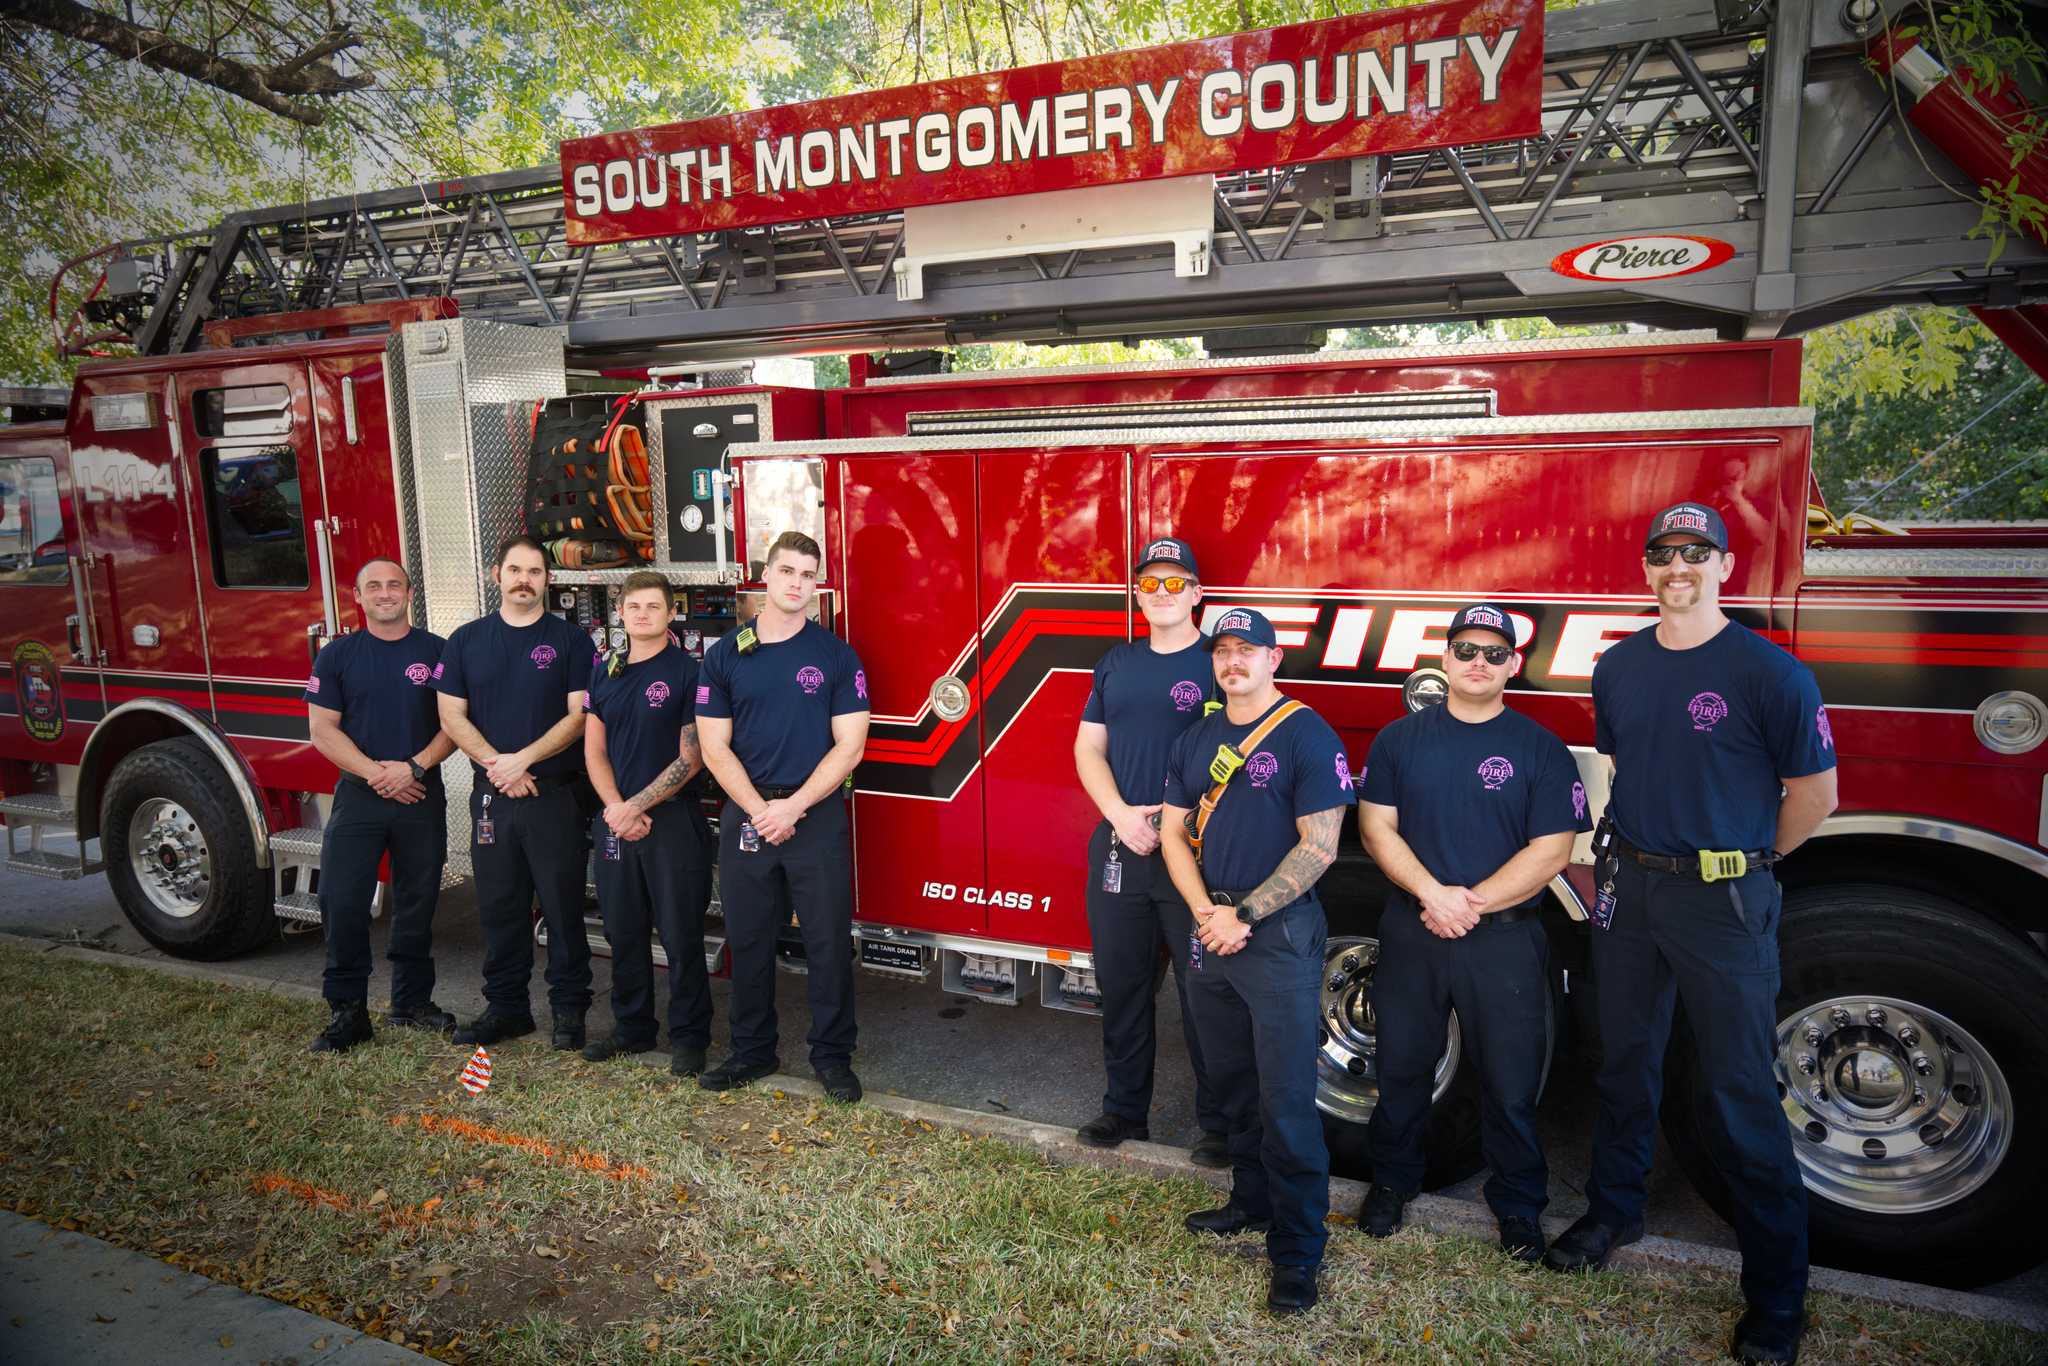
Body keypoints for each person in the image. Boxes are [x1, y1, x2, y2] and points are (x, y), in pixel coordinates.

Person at [1548, 502, 1837, 1366]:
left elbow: (1814, 798)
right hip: (1632, 888)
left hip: (1725, 901)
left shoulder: (1769, 673)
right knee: (1623, 1061)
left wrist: (1745, 862)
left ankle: (1777, 1295)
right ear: (1647, 569)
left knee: (1739, 1089)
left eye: (1695, 552)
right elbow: (1622, 768)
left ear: (1725, 564)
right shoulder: (1619, 667)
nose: (1679, 568)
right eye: (1663, 554)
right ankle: (1614, 1210)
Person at [1355, 602, 1588, 1260]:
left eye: (1493, 653)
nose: (1478, 663)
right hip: (1413, 930)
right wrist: (1433, 895)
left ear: (1513, 664)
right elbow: (1376, 828)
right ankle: (1392, 1184)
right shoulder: (1401, 740)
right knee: (1401, 1068)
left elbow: (1553, 847)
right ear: (1444, 660)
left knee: (1510, 1083)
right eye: (1465, 650)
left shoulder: (1539, 748)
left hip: (1504, 940)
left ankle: (1517, 1205)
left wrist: (1473, 904)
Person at [1158, 607, 1352, 1316]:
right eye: (1223, 651)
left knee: (1287, 1099)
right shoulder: (1198, 736)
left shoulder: (1306, 733)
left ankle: (1298, 1250)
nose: (1233, 661)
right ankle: (1251, 1201)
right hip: (1211, 929)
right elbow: (1174, 832)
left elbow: (1320, 847)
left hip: (1275, 937)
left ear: (1275, 658)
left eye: (1248, 650)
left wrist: (1242, 916)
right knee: (1231, 1083)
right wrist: (1207, 912)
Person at [695, 531, 870, 1101]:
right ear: (765, 576)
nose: (797, 583)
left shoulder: (836, 656)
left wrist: (792, 807)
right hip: (749, 814)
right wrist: (759, 811)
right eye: (788, 571)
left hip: (813, 814)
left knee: (826, 941)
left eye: (808, 575)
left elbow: (851, 745)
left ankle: (833, 1056)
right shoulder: (725, 654)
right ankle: (750, 1051)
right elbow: (713, 746)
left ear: (817, 585)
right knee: (748, 939)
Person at [1072, 536, 1228, 1166]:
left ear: (1196, 594)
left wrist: (1173, 819)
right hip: (1121, 848)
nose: (1161, 594)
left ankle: (1218, 1124)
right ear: (1138, 594)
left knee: (1205, 992)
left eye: (1175, 583)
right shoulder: (1115, 663)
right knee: (1124, 987)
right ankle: (1123, 1111)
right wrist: (1118, 814)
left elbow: (1240, 754)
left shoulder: (1221, 664)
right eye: (1150, 583)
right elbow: (1088, 749)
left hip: (1194, 854)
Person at [433, 534, 596, 1050]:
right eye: (515, 570)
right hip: (493, 796)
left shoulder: (572, 642)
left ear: (548, 580)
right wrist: (497, 767)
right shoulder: (465, 640)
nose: (525, 580)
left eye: (535, 572)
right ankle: (506, 1008)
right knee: (500, 907)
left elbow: (579, 716)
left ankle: (569, 1012)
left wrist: (522, 760)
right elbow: (450, 714)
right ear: (495, 575)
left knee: (563, 907)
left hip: (554, 795)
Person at [302, 558, 457, 1053]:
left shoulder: (438, 652)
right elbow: (322, 729)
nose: (385, 593)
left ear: (410, 592)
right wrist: (379, 774)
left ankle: (411, 1003)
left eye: (394, 584)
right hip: (359, 797)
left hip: (420, 794)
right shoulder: (337, 655)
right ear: (358, 596)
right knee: (341, 899)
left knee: (417, 900)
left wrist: (413, 768)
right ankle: (348, 1012)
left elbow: (454, 724)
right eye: (375, 586)